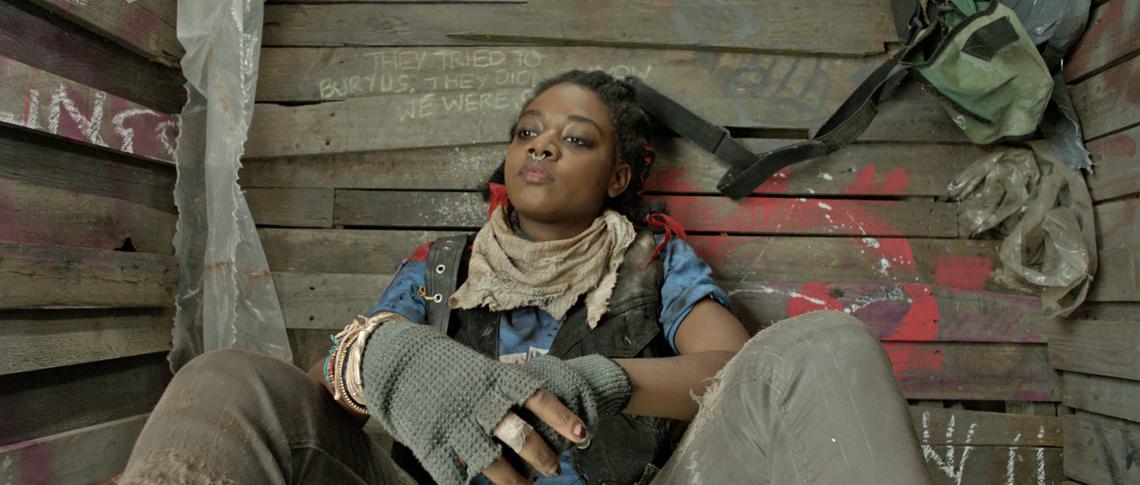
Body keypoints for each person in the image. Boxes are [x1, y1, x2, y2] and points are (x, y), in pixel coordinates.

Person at [120, 70, 934, 485]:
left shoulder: (653, 261)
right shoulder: (441, 268)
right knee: (227, 379)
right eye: (528, 132)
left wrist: (597, 381)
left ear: (618, 176)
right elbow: (320, 392)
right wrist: (386, 361)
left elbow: (728, 369)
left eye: (577, 139)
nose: (542, 146)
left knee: (826, 345)